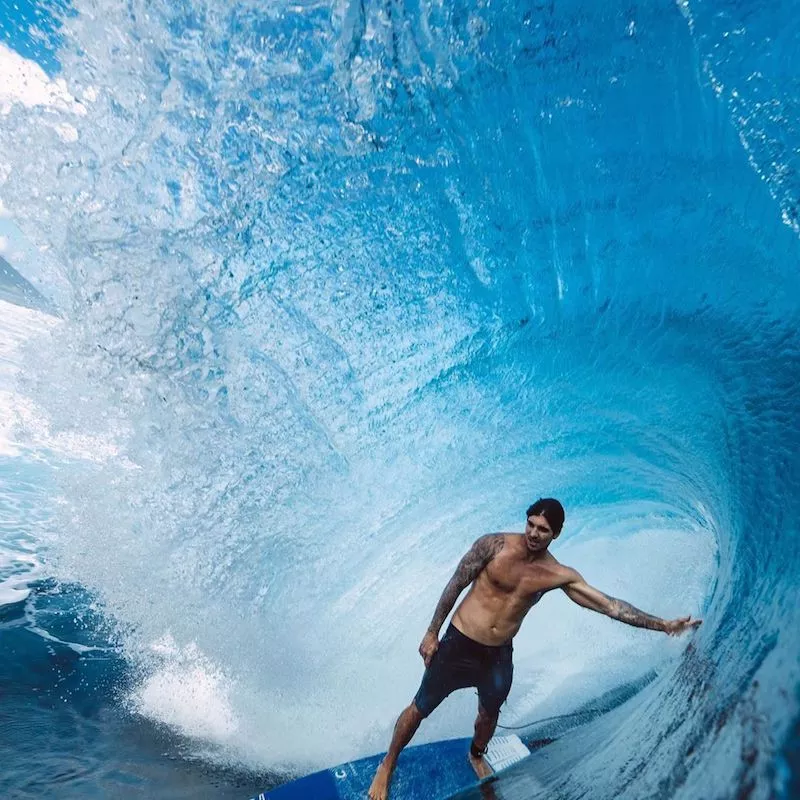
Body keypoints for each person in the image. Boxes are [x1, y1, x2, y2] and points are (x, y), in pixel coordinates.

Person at [367, 498, 702, 800]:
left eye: (543, 529)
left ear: (556, 534)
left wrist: (664, 625)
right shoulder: (493, 545)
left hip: (497, 655)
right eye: (530, 524)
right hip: (459, 643)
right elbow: (456, 583)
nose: (534, 533)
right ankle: (388, 763)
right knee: (421, 706)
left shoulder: (557, 574)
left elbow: (610, 606)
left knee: (490, 711)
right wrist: (431, 632)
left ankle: (477, 755)